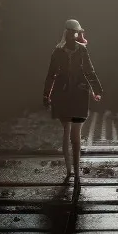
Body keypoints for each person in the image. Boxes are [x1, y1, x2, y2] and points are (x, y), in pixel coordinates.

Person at [43, 19, 102, 184]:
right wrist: (46, 95)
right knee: (67, 132)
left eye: (76, 32)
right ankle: (70, 169)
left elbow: (90, 71)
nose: (74, 35)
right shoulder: (58, 52)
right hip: (62, 96)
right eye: (71, 32)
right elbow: (51, 74)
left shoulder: (82, 51)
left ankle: (75, 171)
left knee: (75, 135)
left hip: (79, 95)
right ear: (67, 33)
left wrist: (96, 90)